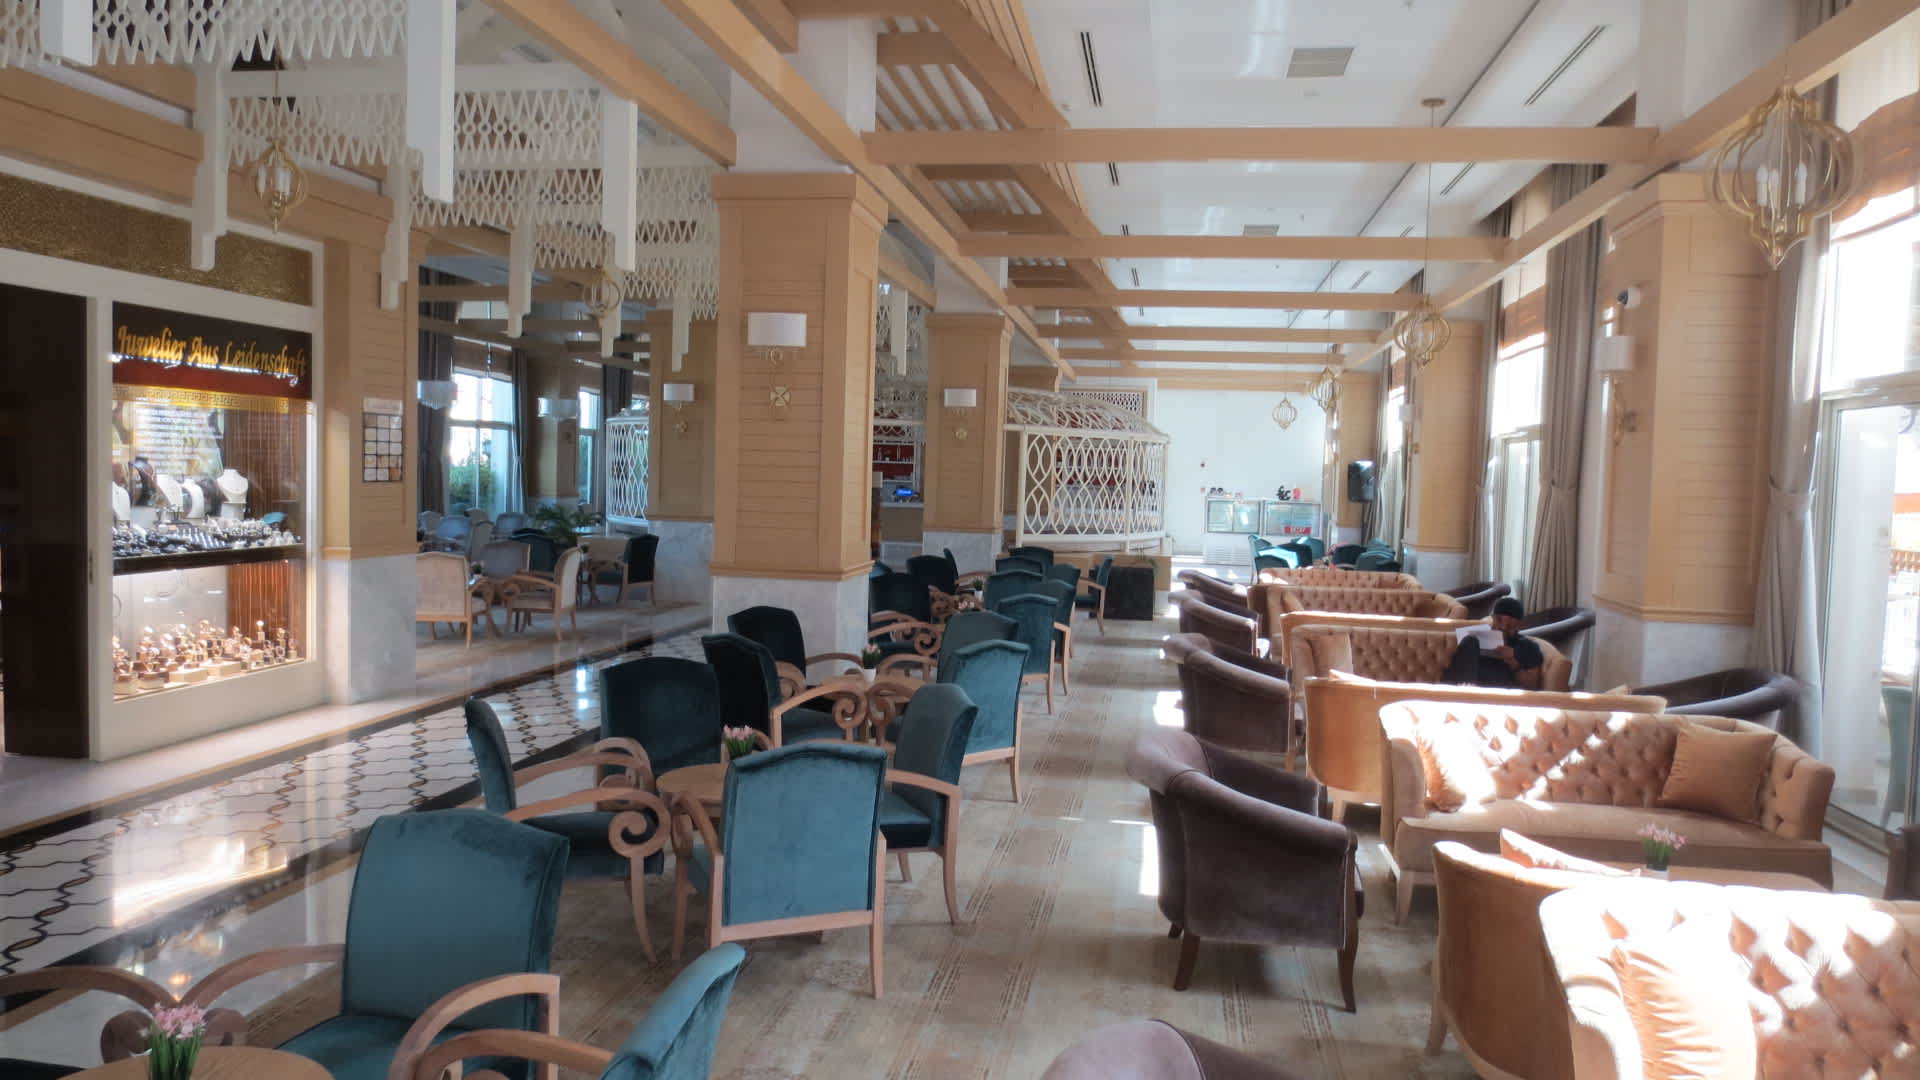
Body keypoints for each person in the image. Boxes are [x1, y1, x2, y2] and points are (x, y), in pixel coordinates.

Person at [1441, 597, 1544, 690]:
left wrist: (1512, 661)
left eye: (1510, 625)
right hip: (1470, 688)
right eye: (1499, 620)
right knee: (1471, 641)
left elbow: (1531, 686)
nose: (1503, 627)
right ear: (1492, 618)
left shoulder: (1528, 647)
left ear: (1519, 626)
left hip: (1501, 692)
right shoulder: (1476, 637)